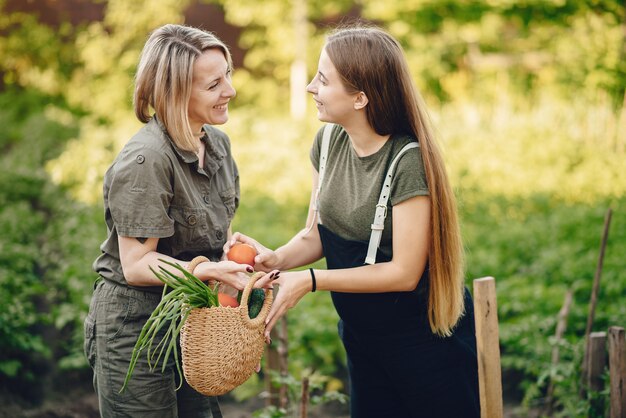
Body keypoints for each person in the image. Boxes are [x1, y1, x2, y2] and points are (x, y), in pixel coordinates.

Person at [228, 25, 480, 418]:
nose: (311, 87)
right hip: (362, 337)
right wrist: (276, 260)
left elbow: (404, 273)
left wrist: (311, 280)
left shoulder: (407, 160)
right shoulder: (328, 143)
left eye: (323, 80)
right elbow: (318, 235)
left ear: (361, 97)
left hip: (424, 342)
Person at [83, 24, 276, 417]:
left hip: (193, 319)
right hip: (135, 326)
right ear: (174, 92)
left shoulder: (217, 144)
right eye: (213, 84)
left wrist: (232, 255)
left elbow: (210, 238)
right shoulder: (147, 159)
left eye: (228, 77)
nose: (230, 91)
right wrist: (211, 270)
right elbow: (137, 265)